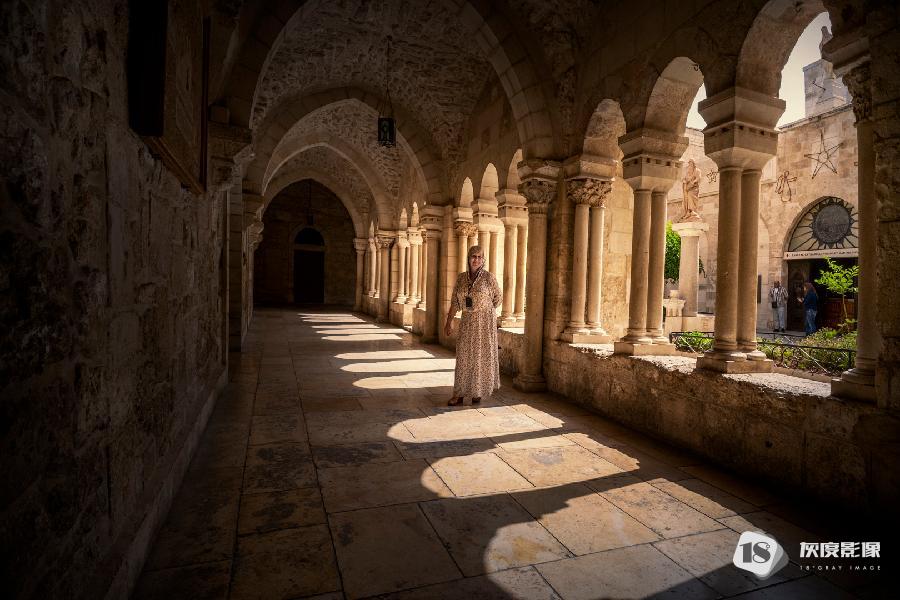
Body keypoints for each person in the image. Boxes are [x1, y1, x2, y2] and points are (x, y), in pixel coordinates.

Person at [444, 245, 501, 406]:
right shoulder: (461, 278)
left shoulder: (489, 278)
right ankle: (459, 394)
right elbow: (455, 301)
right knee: (463, 356)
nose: (476, 260)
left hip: (484, 323)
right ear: (468, 259)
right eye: (473, 256)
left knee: (481, 356)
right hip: (467, 321)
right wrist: (448, 321)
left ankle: (477, 392)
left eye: (479, 257)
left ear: (483, 260)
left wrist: (484, 309)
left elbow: (498, 298)